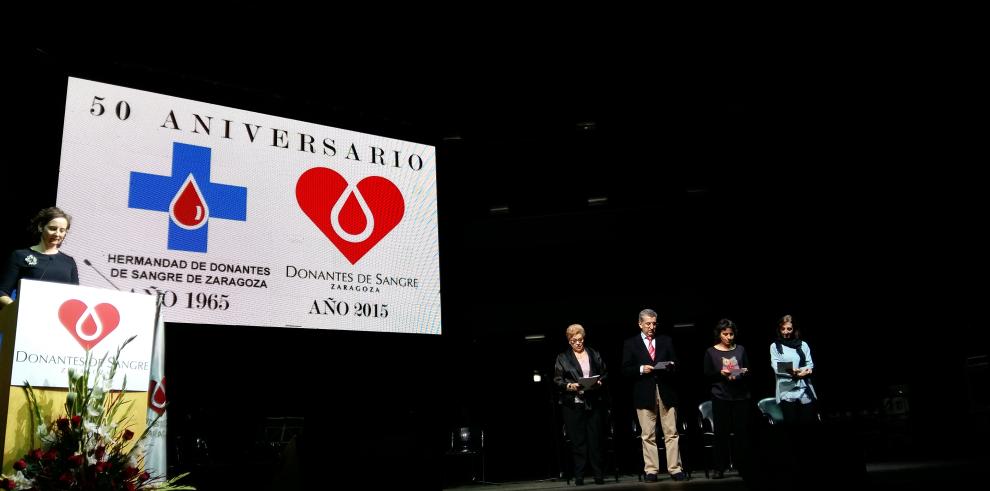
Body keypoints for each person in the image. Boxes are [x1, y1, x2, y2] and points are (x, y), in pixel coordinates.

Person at [621, 309, 686, 482]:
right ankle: (651, 470)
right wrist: (641, 369)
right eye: (648, 324)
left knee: (671, 432)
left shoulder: (665, 340)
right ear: (640, 324)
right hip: (644, 393)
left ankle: (675, 468)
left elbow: (677, 364)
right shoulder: (631, 343)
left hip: (666, 391)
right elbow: (625, 370)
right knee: (648, 434)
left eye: (654, 323)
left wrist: (671, 366)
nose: (651, 327)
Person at [554, 324, 609, 486]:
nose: (578, 343)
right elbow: (558, 380)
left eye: (580, 339)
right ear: (569, 341)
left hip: (593, 401)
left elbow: (604, 373)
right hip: (574, 404)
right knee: (578, 441)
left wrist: (599, 381)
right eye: (574, 340)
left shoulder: (593, 353)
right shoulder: (563, 357)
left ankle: (598, 474)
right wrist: (570, 386)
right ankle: (580, 475)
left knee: (595, 439)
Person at [0, 207, 79, 309]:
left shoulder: (69, 262)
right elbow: (2, 292)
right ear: (41, 227)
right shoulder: (20, 256)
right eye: (53, 228)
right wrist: (18, 309)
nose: (57, 234)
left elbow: (76, 297)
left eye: (62, 230)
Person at [702, 318, 752, 479]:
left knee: (741, 434)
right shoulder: (711, 352)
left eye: (731, 334)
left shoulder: (741, 349)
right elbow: (707, 374)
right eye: (725, 334)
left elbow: (748, 370)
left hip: (740, 396)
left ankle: (744, 467)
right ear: (719, 334)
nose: (729, 337)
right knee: (721, 434)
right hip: (721, 396)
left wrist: (742, 372)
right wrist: (721, 374)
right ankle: (719, 468)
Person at [770, 314, 817, 424]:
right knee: (792, 425)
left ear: (794, 329)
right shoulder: (775, 346)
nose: (786, 332)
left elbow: (810, 364)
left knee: (808, 422)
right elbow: (776, 366)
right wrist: (794, 371)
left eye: (789, 329)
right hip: (787, 390)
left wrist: (805, 371)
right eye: (783, 329)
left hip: (804, 388)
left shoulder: (803, 345)